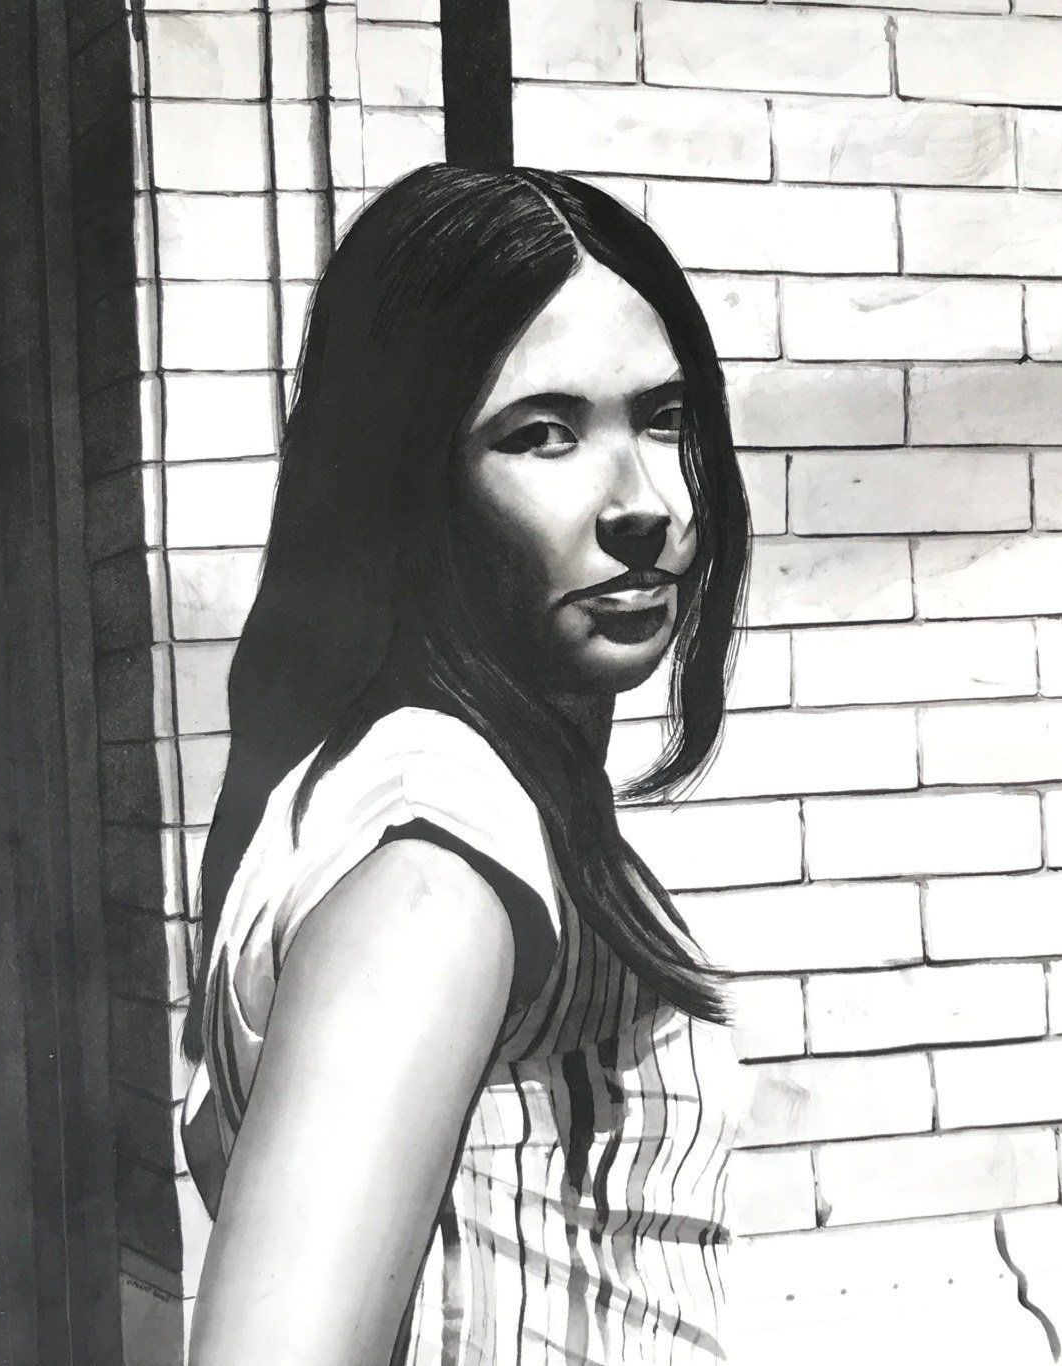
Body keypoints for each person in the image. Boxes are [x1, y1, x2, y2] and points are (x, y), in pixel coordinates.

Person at [178, 163, 754, 1366]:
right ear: (414, 483)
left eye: (664, 417)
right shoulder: (435, 868)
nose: (641, 501)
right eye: (541, 435)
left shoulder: (462, 797)